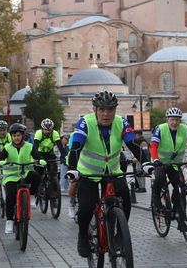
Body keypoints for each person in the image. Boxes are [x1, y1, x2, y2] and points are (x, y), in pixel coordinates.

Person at [65, 90, 144, 257]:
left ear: (115, 110)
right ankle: (82, 236)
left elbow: (133, 145)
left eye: (110, 110)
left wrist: (147, 163)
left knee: (125, 199)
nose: (106, 114)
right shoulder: (85, 123)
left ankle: (120, 234)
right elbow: (76, 147)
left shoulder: (121, 123)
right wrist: (72, 168)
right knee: (87, 207)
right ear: (95, 110)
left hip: (113, 172)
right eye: (101, 110)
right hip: (88, 173)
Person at [144, 107, 187, 224]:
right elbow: (153, 145)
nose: (174, 122)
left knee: (181, 186)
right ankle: (156, 198)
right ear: (167, 120)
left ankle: (180, 217)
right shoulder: (160, 129)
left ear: (180, 121)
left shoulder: (185, 129)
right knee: (160, 178)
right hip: (160, 162)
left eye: (177, 120)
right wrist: (155, 159)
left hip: (175, 164)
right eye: (172, 119)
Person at [0, 123, 41, 233]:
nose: (16, 138)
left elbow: (37, 156)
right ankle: (9, 222)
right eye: (14, 136)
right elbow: (0, 158)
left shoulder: (29, 146)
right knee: (10, 195)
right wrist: (0, 161)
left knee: (36, 176)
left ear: (22, 136)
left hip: (25, 173)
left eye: (18, 135)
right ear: (11, 137)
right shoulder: (7, 148)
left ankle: (31, 197)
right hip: (11, 177)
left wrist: (41, 160)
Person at [33, 118, 67, 184]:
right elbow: (35, 149)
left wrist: (64, 157)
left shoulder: (55, 134)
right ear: (42, 129)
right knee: (38, 173)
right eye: (45, 130)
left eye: (49, 130)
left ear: (52, 129)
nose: (47, 132)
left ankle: (53, 185)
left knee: (53, 172)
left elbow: (61, 148)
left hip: (49, 154)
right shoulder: (39, 133)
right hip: (39, 153)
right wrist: (39, 158)